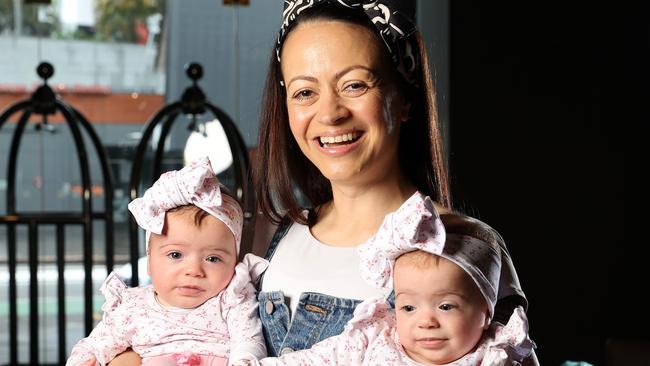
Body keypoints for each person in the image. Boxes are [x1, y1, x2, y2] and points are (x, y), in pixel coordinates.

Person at [109, 0, 537, 364]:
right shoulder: (270, 235)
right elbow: (168, 328)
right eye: (304, 92)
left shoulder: (463, 245)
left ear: (403, 99)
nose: (330, 114)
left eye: (354, 85)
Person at [251, 193, 535, 365]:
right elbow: (310, 361)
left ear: (486, 313)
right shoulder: (377, 337)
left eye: (446, 306)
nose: (426, 321)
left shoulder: (496, 355)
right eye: (408, 308)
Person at [67, 157, 268, 366]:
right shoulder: (132, 308)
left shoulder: (232, 300)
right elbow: (93, 346)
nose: (194, 270)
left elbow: (249, 342)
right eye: (175, 255)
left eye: (212, 258)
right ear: (149, 260)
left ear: (233, 262)